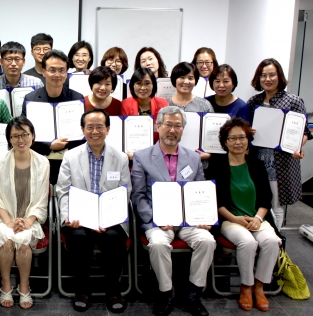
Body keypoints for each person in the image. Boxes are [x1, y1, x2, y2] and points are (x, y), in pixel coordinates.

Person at [131, 106, 215, 316]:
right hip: (158, 221)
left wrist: (202, 217)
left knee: (207, 241)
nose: (172, 130)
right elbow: (138, 195)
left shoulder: (194, 158)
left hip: (188, 221)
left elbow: (200, 192)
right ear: (158, 126)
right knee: (158, 244)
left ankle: (193, 294)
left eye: (177, 125)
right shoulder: (142, 156)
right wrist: (155, 219)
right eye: (168, 124)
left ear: (183, 129)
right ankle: (166, 292)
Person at [57, 108, 131, 313]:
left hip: (111, 219)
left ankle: (113, 291)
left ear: (108, 129)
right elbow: (62, 191)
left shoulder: (120, 157)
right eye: (90, 127)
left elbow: (125, 192)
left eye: (100, 127)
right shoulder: (71, 156)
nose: (95, 131)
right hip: (79, 218)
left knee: (114, 238)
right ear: (83, 130)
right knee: (79, 236)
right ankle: (82, 290)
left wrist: (109, 219)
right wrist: (68, 216)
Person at [206, 118, 281, 312]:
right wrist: (235, 219)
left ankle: (260, 286)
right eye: (233, 138)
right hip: (230, 219)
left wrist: (258, 218)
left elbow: (266, 198)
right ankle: (246, 286)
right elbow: (215, 201)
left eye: (242, 138)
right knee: (247, 243)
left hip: (257, 218)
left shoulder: (256, 165)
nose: (238, 142)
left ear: (248, 140)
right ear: (225, 141)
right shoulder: (217, 165)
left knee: (271, 241)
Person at [0, 117, 49, 309]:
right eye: (15, 136)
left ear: (32, 136)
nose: (20, 139)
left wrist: (29, 221)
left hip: (31, 218)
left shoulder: (43, 162)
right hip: (3, 217)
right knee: (7, 240)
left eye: (25, 134)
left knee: (23, 243)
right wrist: (8, 223)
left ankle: (24, 287)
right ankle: (6, 285)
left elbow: (41, 199)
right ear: (9, 139)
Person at [246, 58, 312, 229]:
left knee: (276, 204)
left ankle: (277, 240)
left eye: (272, 75)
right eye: (263, 75)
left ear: (279, 76)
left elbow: (304, 132)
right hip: (256, 159)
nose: (267, 79)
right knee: (255, 200)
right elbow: (243, 128)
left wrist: (298, 147)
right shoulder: (254, 102)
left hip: (280, 162)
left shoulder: (293, 101)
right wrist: (248, 132)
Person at [21, 49, 84, 184]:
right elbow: (25, 134)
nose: (57, 74)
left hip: (70, 161)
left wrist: (64, 145)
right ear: (43, 71)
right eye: (52, 70)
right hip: (39, 159)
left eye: (61, 70)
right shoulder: (31, 99)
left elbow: (81, 135)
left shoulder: (77, 99)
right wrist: (49, 145)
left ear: (67, 73)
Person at [121, 68, 168, 150]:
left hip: (158, 150)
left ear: (153, 85)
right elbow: (124, 132)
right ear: (133, 85)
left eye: (147, 83)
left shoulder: (163, 104)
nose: (143, 88)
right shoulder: (125, 104)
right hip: (132, 149)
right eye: (138, 83)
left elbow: (165, 131)